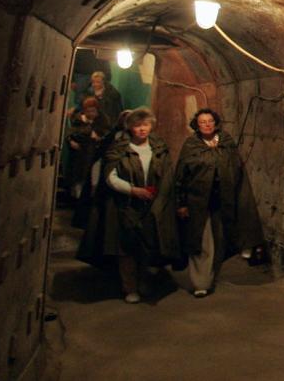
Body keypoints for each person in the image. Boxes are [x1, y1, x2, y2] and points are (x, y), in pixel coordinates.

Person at [80, 108, 180, 303]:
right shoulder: (120, 148)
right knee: (125, 247)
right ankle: (130, 287)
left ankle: (144, 280)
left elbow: (167, 175)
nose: (142, 129)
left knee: (147, 245)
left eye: (146, 125)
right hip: (125, 205)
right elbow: (110, 176)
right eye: (137, 125)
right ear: (130, 127)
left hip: (151, 204)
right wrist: (132, 190)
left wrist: (159, 198)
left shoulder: (159, 147)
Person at [173, 109, 264, 298]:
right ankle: (201, 283)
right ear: (196, 125)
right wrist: (181, 203)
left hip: (223, 200)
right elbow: (181, 175)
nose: (207, 124)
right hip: (198, 201)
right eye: (202, 122)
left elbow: (237, 170)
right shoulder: (191, 145)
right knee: (201, 241)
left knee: (220, 240)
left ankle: (211, 274)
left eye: (210, 121)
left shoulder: (226, 143)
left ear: (215, 123)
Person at [63, 97, 109, 204]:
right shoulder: (78, 119)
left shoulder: (102, 120)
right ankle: (75, 199)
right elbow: (70, 133)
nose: (91, 113)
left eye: (93, 110)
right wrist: (71, 141)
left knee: (92, 177)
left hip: (94, 154)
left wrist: (98, 137)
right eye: (88, 110)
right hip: (79, 154)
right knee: (77, 177)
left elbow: (106, 134)